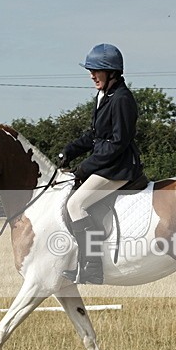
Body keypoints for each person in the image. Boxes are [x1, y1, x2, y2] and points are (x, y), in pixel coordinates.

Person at [57, 43, 144, 284]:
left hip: (120, 166)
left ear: (112, 72)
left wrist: (86, 166)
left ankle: (92, 266)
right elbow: (95, 136)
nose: (91, 75)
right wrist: (70, 150)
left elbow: (118, 142)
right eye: (91, 70)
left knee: (76, 204)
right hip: (107, 164)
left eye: (96, 70)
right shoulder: (103, 96)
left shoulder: (122, 99)